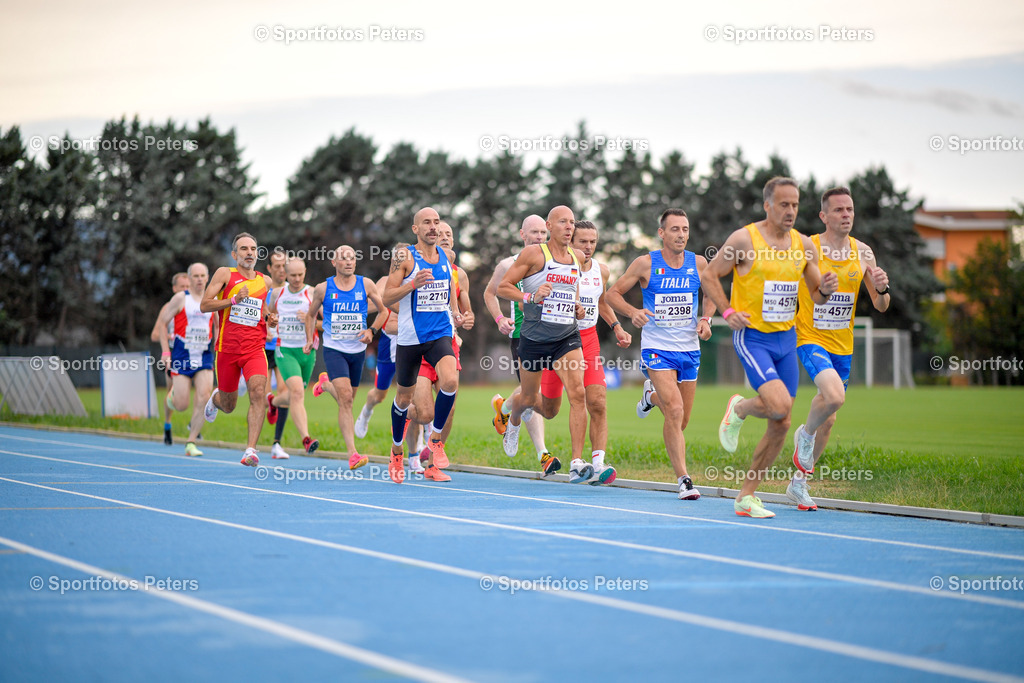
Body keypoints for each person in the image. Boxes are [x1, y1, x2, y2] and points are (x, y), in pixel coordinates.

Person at [701, 177, 838, 518]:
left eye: (795, 204)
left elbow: (816, 296)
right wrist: (727, 311)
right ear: (767, 205)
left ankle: (746, 496)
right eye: (783, 204)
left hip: (786, 338)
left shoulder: (804, 245)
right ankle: (741, 408)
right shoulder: (743, 239)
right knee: (777, 405)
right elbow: (709, 275)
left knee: (782, 421)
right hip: (754, 337)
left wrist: (827, 289)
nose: (791, 211)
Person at [787, 187, 890, 510]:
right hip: (810, 337)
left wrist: (885, 288)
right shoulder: (810, 248)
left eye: (850, 209)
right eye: (838, 210)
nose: (846, 215)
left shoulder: (864, 253)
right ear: (824, 216)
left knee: (829, 419)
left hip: (842, 345)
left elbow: (881, 305)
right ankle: (804, 435)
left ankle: (798, 484)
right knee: (833, 396)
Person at [606, 210, 713, 499]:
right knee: (675, 411)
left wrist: (706, 319)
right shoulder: (645, 263)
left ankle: (649, 398)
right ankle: (684, 480)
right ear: (662, 233)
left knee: (681, 421)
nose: (681, 234)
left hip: (689, 349)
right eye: (675, 229)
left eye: (685, 229)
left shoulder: (699, 263)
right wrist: (633, 312)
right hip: (657, 349)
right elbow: (612, 294)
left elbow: (712, 293)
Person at [495, 205, 591, 482]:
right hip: (535, 338)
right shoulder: (534, 254)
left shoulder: (577, 256)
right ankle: (513, 423)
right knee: (526, 398)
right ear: (549, 226)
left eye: (572, 222)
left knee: (578, 395)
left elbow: (571, 291)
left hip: (566, 336)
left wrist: (576, 307)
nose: (569, 227)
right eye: (563, 222)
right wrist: (532, 296)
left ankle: (576, 461)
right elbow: (504, 287)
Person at [539, 220, 631, 485]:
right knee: (548, 409)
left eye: (593, 241)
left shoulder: (602, 271)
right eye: (583, 242)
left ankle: (595, 464)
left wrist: (617, 327)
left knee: (597, 402)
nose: (588, 247)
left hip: (587, 340)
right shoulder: (559, 268)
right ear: (571, 242)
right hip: (559, 339)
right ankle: (512, 405)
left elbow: (601, 303)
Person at [381, 207, 464, 484]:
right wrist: (412, 285)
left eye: (436, 222)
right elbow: (386, 296)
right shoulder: (404, 257)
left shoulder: (446, 257)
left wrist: (455, 312)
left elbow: (449, 287)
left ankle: (436, 441)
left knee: (451, 381)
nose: (433, 227)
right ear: (415, 229)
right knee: (404, 400)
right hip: (409, 339)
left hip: (439, 333)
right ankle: (396, 451)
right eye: (426, 223)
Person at [201, 232, 279, 466]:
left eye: (253, 249)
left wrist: (270, 319)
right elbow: (205, 305)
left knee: (258, 393)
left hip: (255, 349)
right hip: (227, 350)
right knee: (229, 405)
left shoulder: (265, 281)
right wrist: (233, 300)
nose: (249, 253)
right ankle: (215, 400)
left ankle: (251, 450)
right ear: (235, 254)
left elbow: (263, 309)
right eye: (244, 249)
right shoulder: (225, 274)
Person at [304, 246, 385, 469]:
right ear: (334, 262)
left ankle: (325, 384)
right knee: (347, 399)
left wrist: (371, 331)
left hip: (357, 351)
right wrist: (309, 339)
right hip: (334, 349)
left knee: (346, 400)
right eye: (343, 258)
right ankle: (353, 454)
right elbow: (310, 315)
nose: (349, 262)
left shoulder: (366, 285)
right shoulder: (323, 289)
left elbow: (384, 311)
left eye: (352, 258)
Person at [484, 215, 552, 463]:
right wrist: (500, 318)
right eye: (534, 232)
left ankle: (503, 409)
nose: (539, 237)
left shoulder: (554, 262)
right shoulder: (507, 264)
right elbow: (490, 294)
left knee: (540, 393)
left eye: (543, 233)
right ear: (522, 235)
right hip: (523, 335)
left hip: (555, 335)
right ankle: (542, 453)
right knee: (533, 392)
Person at [413, 222, 475, 473]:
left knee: (449, 406)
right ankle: (402, 410)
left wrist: (466, 319)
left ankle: (433, 460)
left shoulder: (459, 274)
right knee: (426, 413)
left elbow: (463, 310)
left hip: (447, 345)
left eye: (449, 234)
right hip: (419, 345)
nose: (446, 238)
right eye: (440, 234)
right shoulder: (416, 266)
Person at [156, 263, 215, 456]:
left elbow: (217, 327)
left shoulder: (212, 300)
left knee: (204, 395)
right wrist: (166, 353)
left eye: (202, 276)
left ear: (207, 278)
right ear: (189, 278)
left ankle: (191, 442)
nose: (199, 279)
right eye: (195, 276)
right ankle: (172, 398)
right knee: (181, 405)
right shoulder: (181, 298)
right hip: (182, 356)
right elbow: (163, 324)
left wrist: (219, 348)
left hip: (204, 355)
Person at [351, 244, 407, 441]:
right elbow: (369, 307)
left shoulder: (420, 280)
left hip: (415, 344)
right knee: (379, 395)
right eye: (397, 258)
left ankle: (420, 440)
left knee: (415, 393)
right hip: (390, 346)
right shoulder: (384, 282)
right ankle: (366, 411)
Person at [266, 257, 321, 457]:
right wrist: (269, 328)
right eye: (292, 275)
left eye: (300, 275)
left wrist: (310, 320)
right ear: (285, 275)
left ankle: (272, 402)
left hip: (307, 351)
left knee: (296, 395)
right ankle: (306, 439)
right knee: (297, 392)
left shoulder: (313, 292)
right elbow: (270, 316)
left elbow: (326, 321)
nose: (297, 279)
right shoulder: (277, 293)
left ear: (305, 272)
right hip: (285, 350)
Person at [152, 271, 188, 445]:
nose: (185, 290)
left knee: (203, 389)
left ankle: (194, 427)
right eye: (182, 287)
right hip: (174, 353)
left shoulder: (197, 305)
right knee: (171, 391)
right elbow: (155, 334)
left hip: (194, 353)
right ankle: (167, 425)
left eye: (187, 287)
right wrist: (172, 337)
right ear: (174, 288)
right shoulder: (168, 308)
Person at [263, 250, 290, 459]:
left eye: (285, 266)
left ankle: (276, 444)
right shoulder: (263, 290)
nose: (282, 270)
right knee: (260, 396)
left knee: (285, 395)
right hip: (261, 348)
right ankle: (268, 403)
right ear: (269, 269)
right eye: (277, 266)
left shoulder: (294, 292)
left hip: (283, 348)